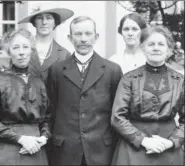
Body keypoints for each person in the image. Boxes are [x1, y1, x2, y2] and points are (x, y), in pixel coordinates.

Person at [46, 16, 122, 165]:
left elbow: (118, 112)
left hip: (101, 150)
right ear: (69, 38)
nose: (83, 39)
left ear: (96, 37)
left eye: (88, 34)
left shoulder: (112, 70)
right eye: (78, 34)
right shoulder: (56, 70)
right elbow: (50, 110)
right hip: (65, 150)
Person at [111, 25, 184, 165]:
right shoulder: (129, 79)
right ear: (143, 48)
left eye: (161, 44)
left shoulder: (180, 81)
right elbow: (117, 117)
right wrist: (143, 140)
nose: (156, 48)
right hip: (133, 147)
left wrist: (171, 142)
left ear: (169, 49)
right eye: (151, 44)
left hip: (168, 147)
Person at [0, 28, 50, 165]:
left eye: (25, 47)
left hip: (37, 148)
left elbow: (47, 117)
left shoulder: (38, 82)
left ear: (31, 51)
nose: (21, 52)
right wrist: (20, 139)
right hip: (8, 148)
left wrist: (44, 137)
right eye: (16, 47)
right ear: (9, 52)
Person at [18, 6, 74, 81]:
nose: (44, 22)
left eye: (49, 18)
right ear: (34, 23)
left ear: (55, 23)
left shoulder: (64, 54)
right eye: (40, 18)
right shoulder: (22, 49)